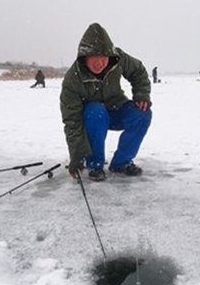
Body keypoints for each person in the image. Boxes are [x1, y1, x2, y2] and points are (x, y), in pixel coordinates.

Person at [61, 23, 152, 182]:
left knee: (142, 114)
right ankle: (94, 164)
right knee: (96, 110)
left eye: (103, 57)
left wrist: (141, 95)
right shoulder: (72, 79)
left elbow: (138, 71)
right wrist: (76, 155)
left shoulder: (119, 59)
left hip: (117, 109)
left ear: (109, 56)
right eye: (94, 57)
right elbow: (72, 121)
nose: (99, 63)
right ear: (84, 57)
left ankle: (121, 163)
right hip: (93, 118)